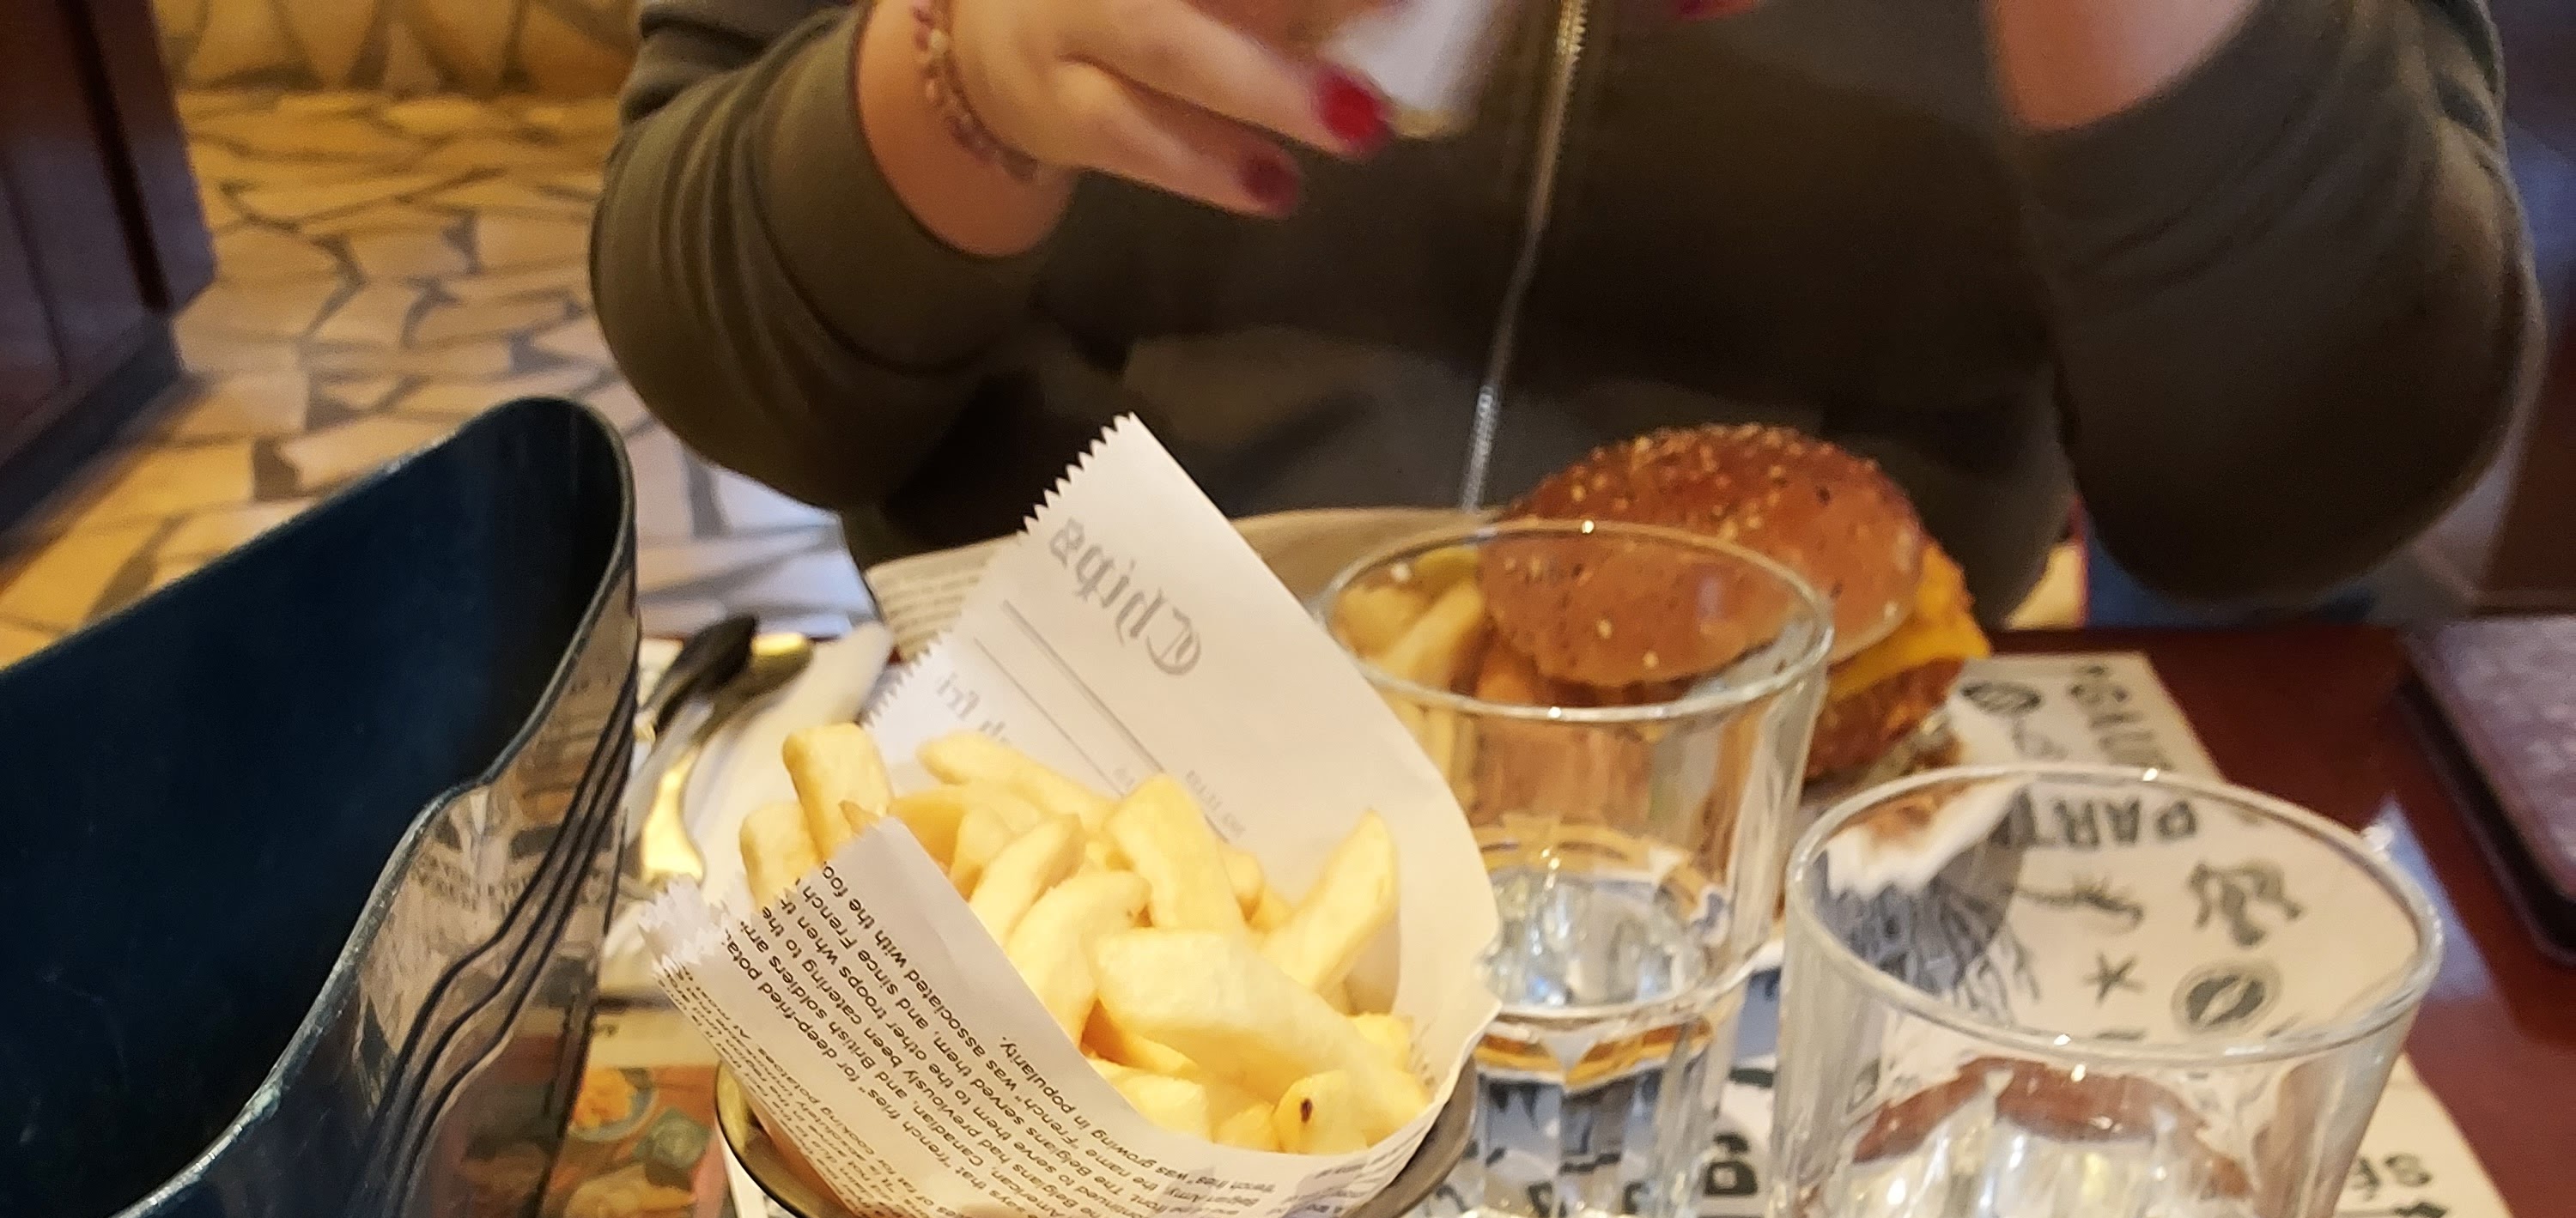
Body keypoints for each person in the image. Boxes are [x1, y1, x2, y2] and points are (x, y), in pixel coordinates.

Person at [591, 0, 2537, 624]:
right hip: (1065, 842)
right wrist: (972, 64)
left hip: (1806, 893)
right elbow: (724, 349)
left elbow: (2306, 492)